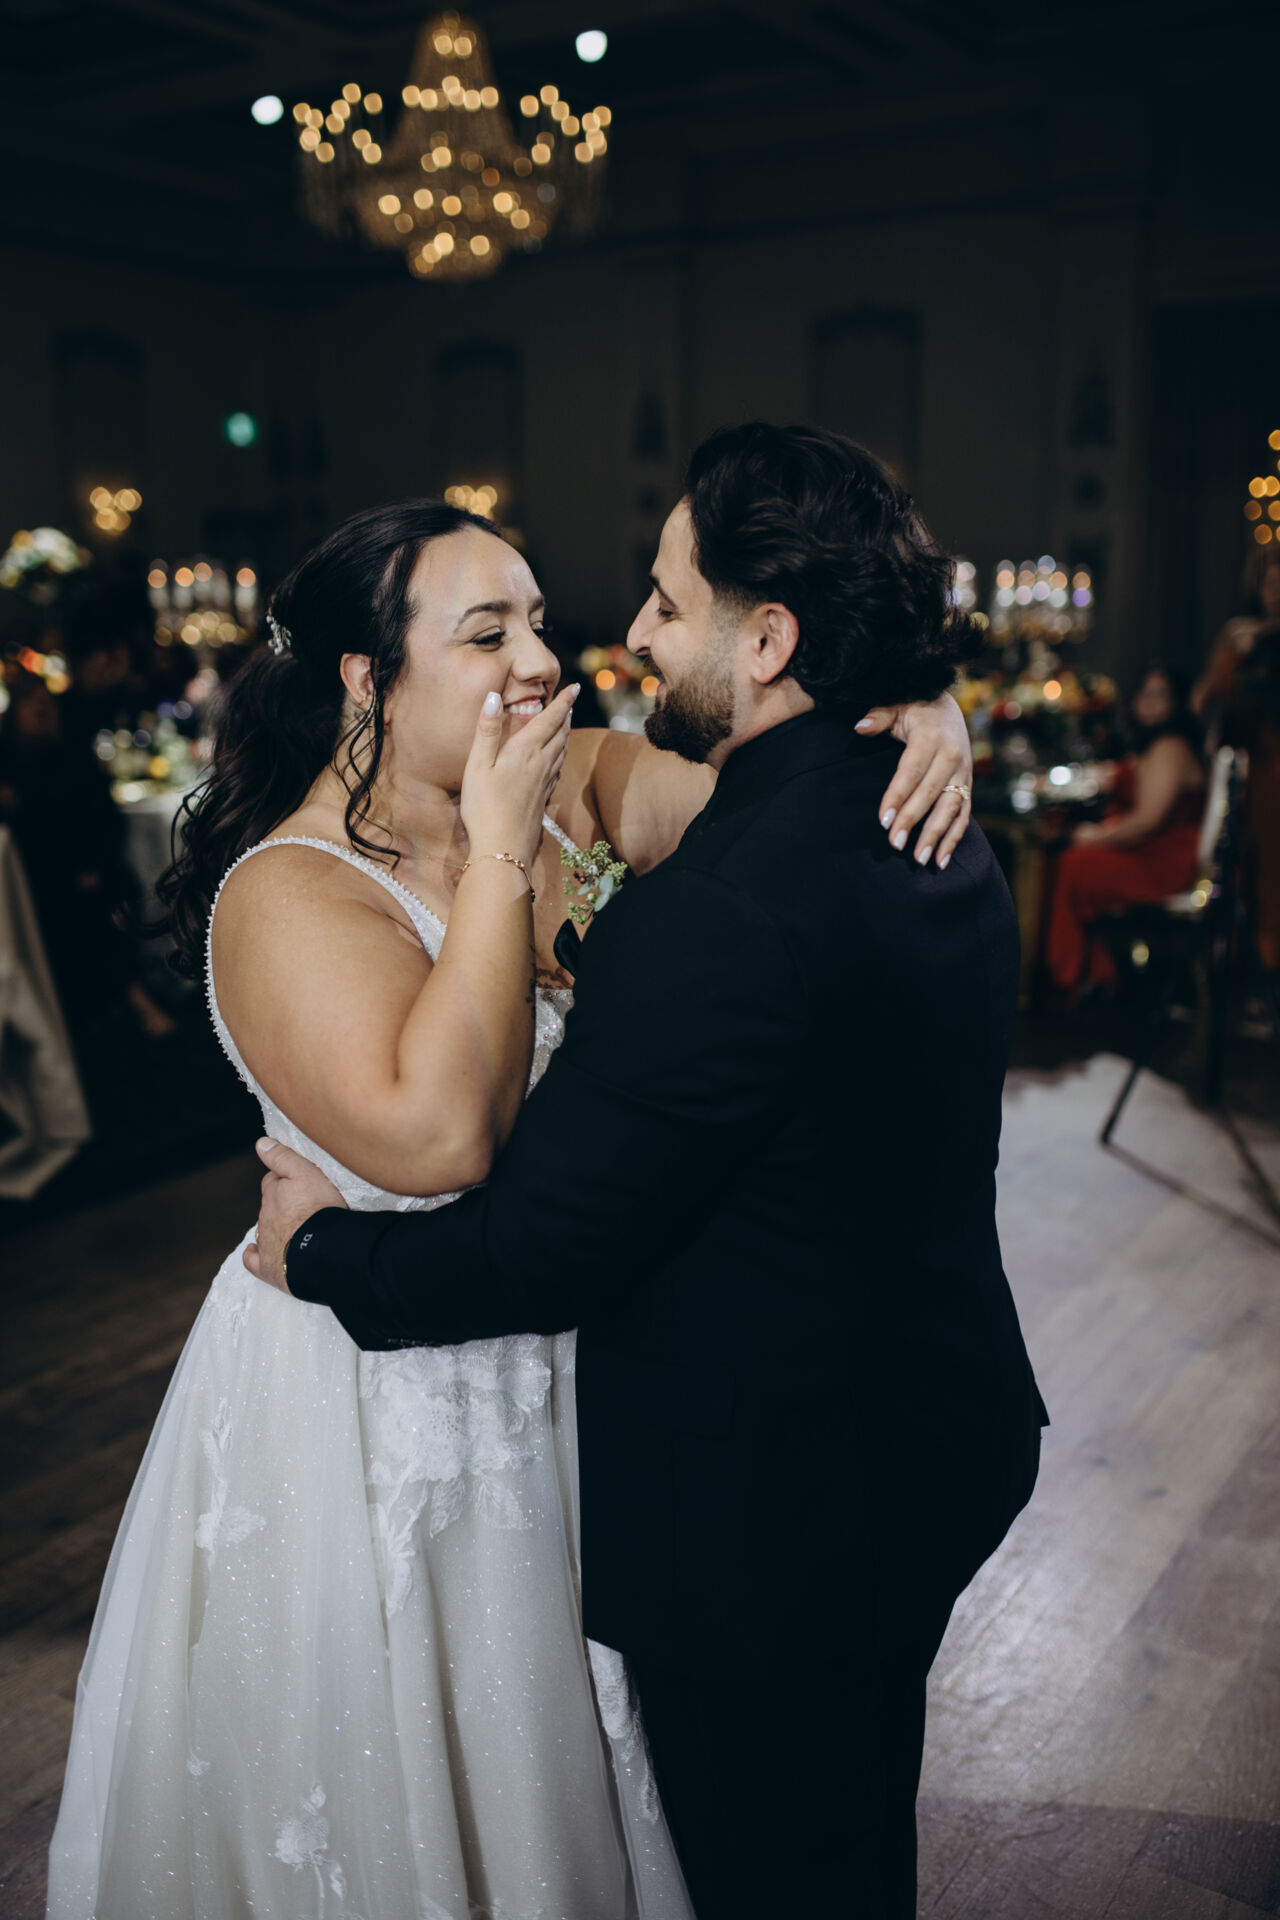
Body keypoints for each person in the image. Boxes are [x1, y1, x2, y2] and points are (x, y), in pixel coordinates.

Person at [47, 487, 971, 1920]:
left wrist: (914, 718)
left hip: (574, 1369)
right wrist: (494, 854)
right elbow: (443, 1137)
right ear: (366, 678)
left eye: (539, 620)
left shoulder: (577, 781)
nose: (542, 661)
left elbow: (786, 803)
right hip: (371, 1408)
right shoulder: (284, 892)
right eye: (487, 634)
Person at [249, 425, 1046, 1920]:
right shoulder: (928, 830)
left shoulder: (716, 897)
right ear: (364, 676)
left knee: (778, 1871)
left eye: (664, 604)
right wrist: (913, 701)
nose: (612, 640)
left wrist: (318, 1252)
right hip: (927, 1435)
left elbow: (536, 1237)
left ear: (769, 638)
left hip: (772, 1508)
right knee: (847, 1834)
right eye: (492, 627)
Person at [1046, 664, 1205, 998]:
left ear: (1176, 702)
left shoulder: (1169, 747)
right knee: (1072, 859)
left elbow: (1148, 821)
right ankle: (1090, 970)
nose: (1149, 701)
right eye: (1144, 693)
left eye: (1160, 695)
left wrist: (1094, 837)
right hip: (1149, 850)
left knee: (1072, 863)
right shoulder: (1150, 745)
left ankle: (1072, 975)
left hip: (1164, 861)